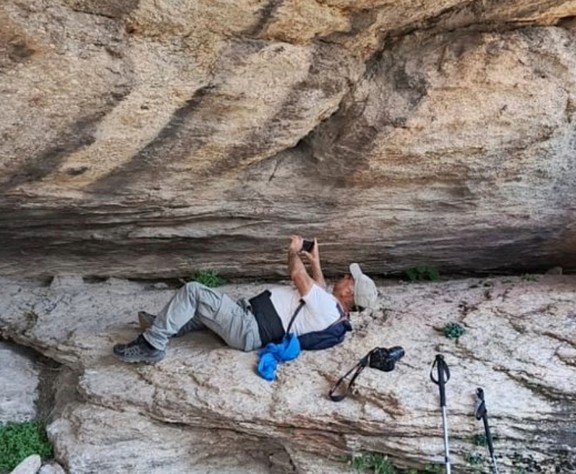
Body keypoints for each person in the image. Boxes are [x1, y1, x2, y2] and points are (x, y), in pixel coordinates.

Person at [113, 235, 378, 364]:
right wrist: (316, 260)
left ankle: (153, 344)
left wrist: (293, 253)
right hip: (249, 320)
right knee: (202, 312)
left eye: (348, 279)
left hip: (248, 328)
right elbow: (318, 287)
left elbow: (298, 275)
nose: (344, 276)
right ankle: (164, 324)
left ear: (349, 293)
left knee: (194, 292)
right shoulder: (332, 311)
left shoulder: (327, 309)